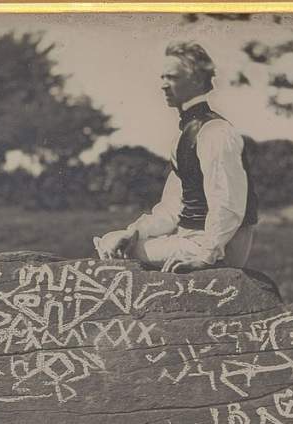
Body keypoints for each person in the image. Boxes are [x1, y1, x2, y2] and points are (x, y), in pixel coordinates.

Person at [95, 41, 257, 272]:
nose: (163, 86)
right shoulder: (186, 134)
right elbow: (172, 209)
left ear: (197, 80)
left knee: (118, 249)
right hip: (192, 240)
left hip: (220, 248)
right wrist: (134, 232)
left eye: (172, 78)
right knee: (118, 240)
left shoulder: (215, 132)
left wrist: (206, 255)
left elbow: (228, 203)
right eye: (162, 78)